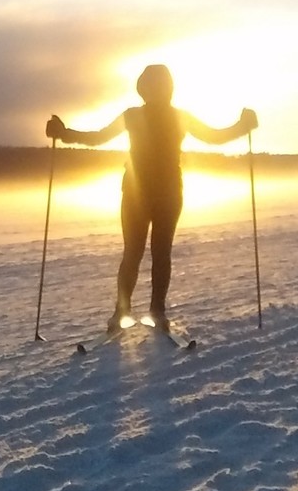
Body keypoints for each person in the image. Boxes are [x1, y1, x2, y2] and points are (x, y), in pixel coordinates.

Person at [47, 64, 257, 334]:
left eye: (158, 85)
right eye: (152, 86)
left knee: (147, 252)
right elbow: (214, 137)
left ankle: (144, 311)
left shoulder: (143, 115)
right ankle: (139, 311)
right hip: (152, 193)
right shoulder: (151, 116)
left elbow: (98, 138)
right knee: (146, 253)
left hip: (154, 193)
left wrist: (242, 126)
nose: (156, 90)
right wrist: (243, 126)